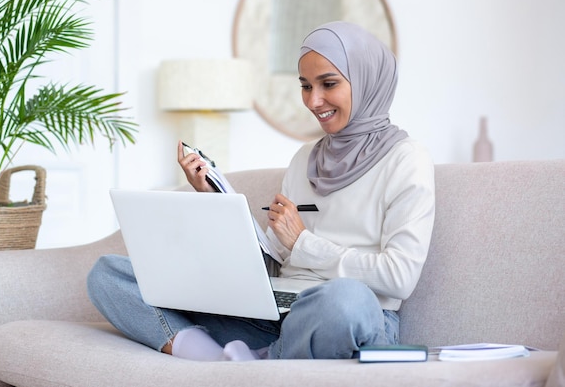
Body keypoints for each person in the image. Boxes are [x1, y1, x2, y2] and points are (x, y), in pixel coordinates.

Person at [87, 21, 435, 360]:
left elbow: (399, 277)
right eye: (305, 86)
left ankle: (262, 363)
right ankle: (206, 354)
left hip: (345, 319)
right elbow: (274, 267)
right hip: (274, 314)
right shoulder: (305, 160)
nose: (314, 101)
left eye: (328, 84)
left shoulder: (405, 160)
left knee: (347, 299)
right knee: (109, 273)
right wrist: (215, 200)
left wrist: (304, 244)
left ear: (366, 81)